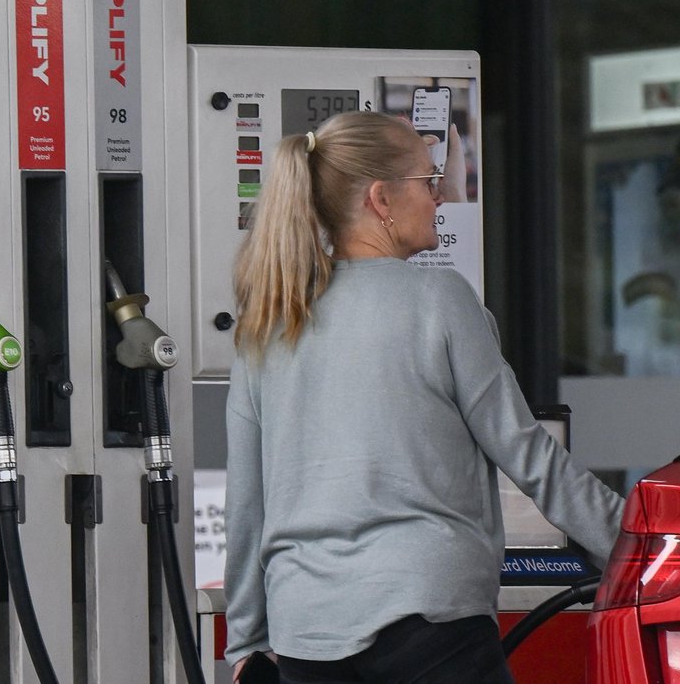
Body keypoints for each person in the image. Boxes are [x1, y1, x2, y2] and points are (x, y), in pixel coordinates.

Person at [223, 110, 625, 684]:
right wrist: (636, 545)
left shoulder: (268, 320)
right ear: (382, 199)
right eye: (428, 181)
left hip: (306, 633)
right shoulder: (439, 299)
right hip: (430, 622)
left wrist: (246, 642)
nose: (440, 197)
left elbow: (248, 499)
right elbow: (527, 455)